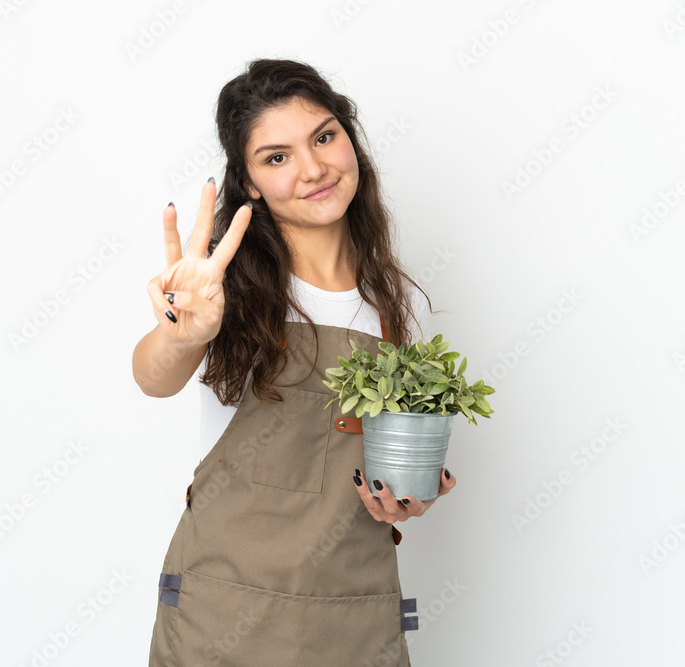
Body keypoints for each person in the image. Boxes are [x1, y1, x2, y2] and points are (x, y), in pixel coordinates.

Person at [132, 58, 456, 667]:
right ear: (249, 182)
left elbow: (392, 453)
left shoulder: (396, 302)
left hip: (354, 612)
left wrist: (408, 492)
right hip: (224, 613)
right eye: (276, 158)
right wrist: (182, 333)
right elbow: (154, 377)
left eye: (324, 137)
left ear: (348, 139)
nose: (312, 169)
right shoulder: (226, 287)